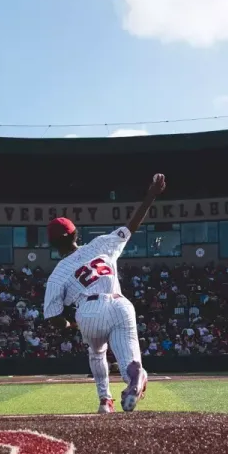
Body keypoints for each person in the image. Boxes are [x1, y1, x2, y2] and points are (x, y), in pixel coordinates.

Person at [43, 173, 166, 414]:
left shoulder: (58, 273)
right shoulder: (100, 244)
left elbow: (52, 317)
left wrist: (70, 324)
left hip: (89, 310)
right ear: (76, 233)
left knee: (96, 351)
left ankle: (104, 400)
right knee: (129, 361)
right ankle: (134, 379)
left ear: (53, 244)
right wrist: (151, 195)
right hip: (120, 305)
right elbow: (132, 226)